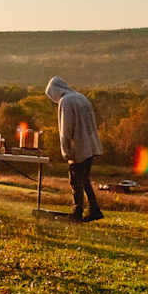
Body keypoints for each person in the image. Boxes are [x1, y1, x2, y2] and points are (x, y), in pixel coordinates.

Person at [45, 76, 104, 222]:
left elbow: (66, 129)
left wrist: (66, 151)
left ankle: (76, 212)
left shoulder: (66, 101)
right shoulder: (81, 97)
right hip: (91, 144)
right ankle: (94, 209)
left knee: (75, 180)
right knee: (84, 179)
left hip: (79, 146)